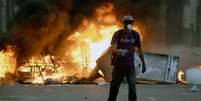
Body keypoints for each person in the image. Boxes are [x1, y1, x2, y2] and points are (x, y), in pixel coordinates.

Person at [108, 15, 146, 101]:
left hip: (130, 65)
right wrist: (119, 52)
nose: (129, 24)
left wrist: (143, 63)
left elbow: (140, 49)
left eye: (131, 22)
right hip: (119, 65)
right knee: (115, 85)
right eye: (127, 22)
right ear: (123, 23)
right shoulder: (118, 34)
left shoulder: (135, 34)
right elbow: (113, 48)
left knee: (132, 85)